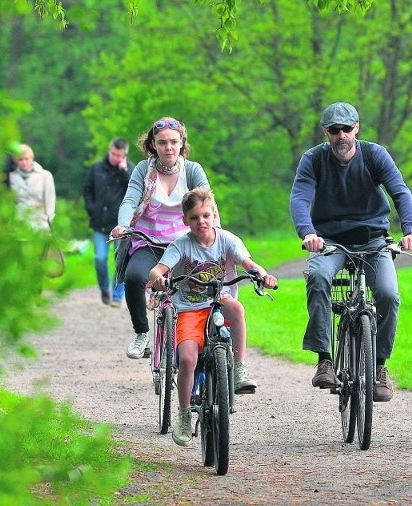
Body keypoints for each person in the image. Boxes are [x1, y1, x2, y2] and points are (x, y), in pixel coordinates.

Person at [289, 101, 412, 402]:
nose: (341, 135)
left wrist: (411, 230)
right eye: (334, 130)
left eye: (346, 129)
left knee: (388, 294)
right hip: (330, 241)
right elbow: (299, 199)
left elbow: (400, 192)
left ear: (356, 128)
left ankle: (379, 368)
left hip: (374, 239)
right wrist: (308, 233)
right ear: (325, 132)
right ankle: (325, 359)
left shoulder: (375, 155)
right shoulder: (313, 159)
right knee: (318, 278)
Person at [149, 188, 277, 446]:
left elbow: (249, 265)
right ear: (185, 220)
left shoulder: (228, 240)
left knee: (237, 308)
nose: (201, 222)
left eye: (206, 215)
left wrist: (264, 276)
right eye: (194, 217)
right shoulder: (181, 245)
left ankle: (239, 370)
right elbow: (158, 269)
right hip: (189, 309)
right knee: (186, 359)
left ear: (215, 214)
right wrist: (159, 279)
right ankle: (184, 413)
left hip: (220, 302)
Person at [110, 117, 218, 359]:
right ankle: (141, 335)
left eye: (173, 142)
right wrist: (123, 225)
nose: (168, 147)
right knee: (134, 277)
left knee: (200, 288)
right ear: (153, 145)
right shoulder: (142, 170)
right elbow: (130, 200)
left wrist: (215, 232)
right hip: (148, 242)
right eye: (162, 143)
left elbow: (209, 203)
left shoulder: (192, 170)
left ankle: (204, 343)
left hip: (184, 245)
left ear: (182, 144)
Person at [83, 138, 135, 307]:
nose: (115, 157)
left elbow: (137, 192)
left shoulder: (131, 170)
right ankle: (105, 289)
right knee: (100, 259)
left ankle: (118, 295)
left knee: (121, 261)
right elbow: (87, 190)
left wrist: (124, 170)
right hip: (99, 222)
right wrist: (92, 209)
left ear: (124, 155)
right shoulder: (96, 168)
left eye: (119, 155)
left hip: (120, 224)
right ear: (109, 150)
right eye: (113, 153)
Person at [9, 143, 56, 231]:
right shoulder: (12, 177)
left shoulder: (45, 175)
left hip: (40, 222)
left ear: (31, 158)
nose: (24, 162)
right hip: (19, 222)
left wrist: (49, 221)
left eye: (26, 159)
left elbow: (50, 200)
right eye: (20, 160)